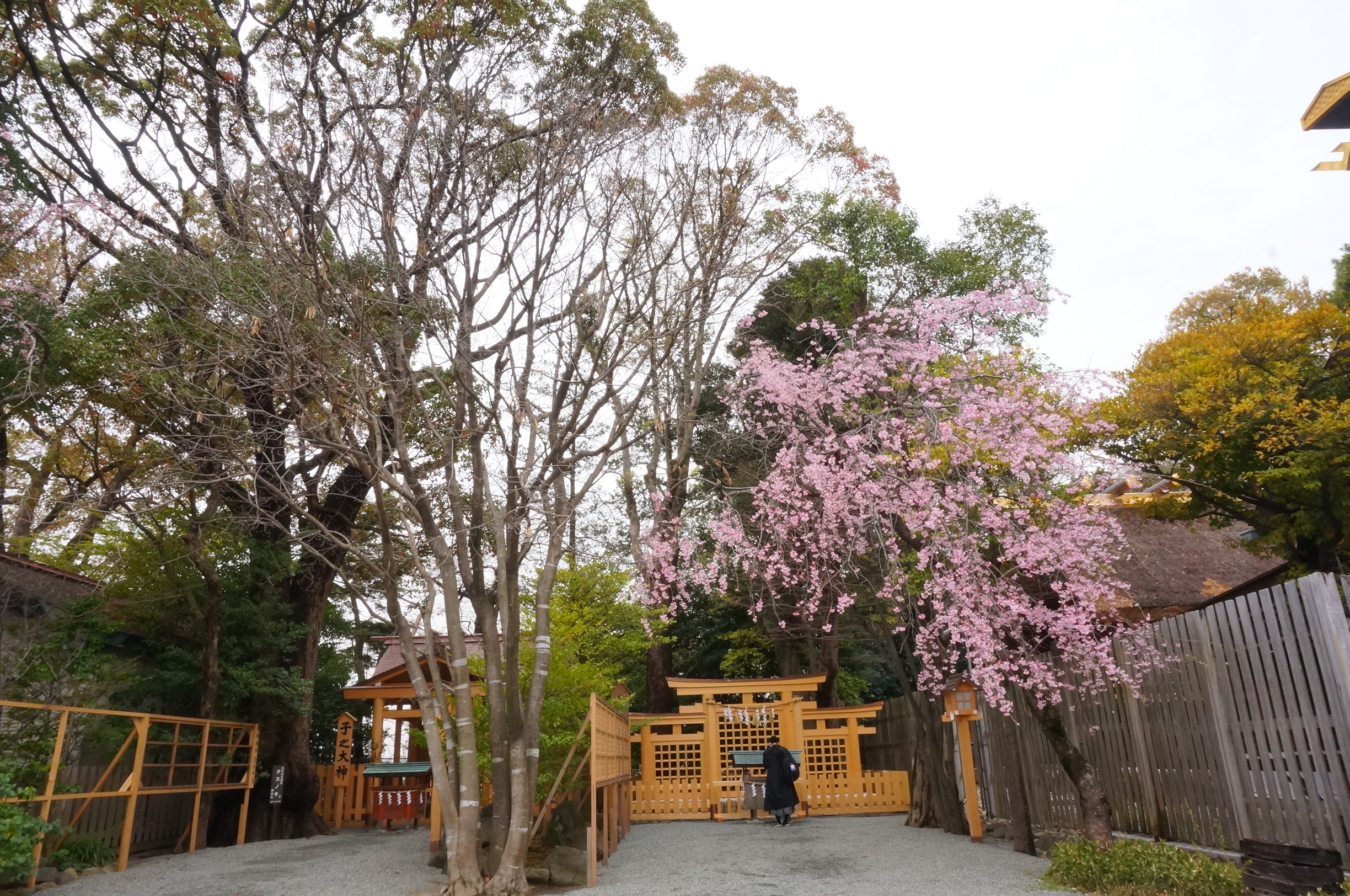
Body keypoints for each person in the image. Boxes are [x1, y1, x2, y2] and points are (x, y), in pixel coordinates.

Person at [762, 735, 799, 827]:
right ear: (778, 742)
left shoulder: (767, 752)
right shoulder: (784, 750)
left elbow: (765, 765)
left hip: (773, 778)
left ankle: (778, 821)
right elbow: (791, 762)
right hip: (785, 777)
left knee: (775, 800)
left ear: (770, 743)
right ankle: (786, 821)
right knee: (787, 798)